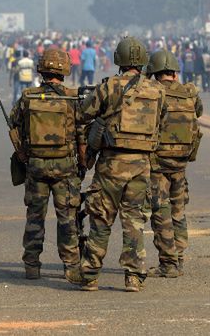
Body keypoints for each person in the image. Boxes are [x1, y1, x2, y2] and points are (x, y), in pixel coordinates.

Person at [76, 37, 165, 292]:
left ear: (119, 60)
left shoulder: (109, 87)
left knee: (101, 220)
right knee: (134, 221)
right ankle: (134, 277)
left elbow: (83, 113)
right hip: (141, 165)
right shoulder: (156, 90)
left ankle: (90, 274)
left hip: (111, 166)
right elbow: (161, 120)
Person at [9, 49, 83, 284]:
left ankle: (32, 265)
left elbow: (15, 123)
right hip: (66, 168)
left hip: (36, 166)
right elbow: (82, 134)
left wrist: (23, 152)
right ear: (64, 70)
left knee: (35, 217)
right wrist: (84, 161)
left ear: (41, 69)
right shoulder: (73, 98)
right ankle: (71, 266)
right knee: (68, 219)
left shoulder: (28, 96)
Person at [145, 50, 202, 278]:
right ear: (174, 73)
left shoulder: (153, 92)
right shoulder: (189, 93)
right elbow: (198, 112)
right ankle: (178, 257)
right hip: (181, 162)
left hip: (158, 162)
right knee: (179, 211)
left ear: (155, 73)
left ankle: (168, 264)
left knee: (161, 212)